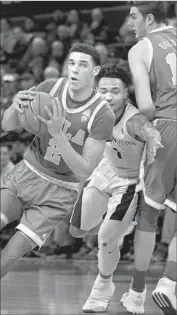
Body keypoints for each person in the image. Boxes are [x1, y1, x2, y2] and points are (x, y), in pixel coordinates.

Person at [0, 43, 115, 279]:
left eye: (83, 65)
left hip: (59, 192)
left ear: (95, 71)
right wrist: (14, 106)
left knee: (10, 255)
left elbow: (84, 171)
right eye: (71, 63)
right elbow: (7, 125)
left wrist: (58, 135)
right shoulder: (50, 88)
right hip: (26, 173)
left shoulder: (102, 114)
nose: (74, 69)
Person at [69, 64, 162, 312]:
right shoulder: (93, 112)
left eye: (115, 91)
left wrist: (153, 137)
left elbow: (147, 129)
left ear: (126, 93)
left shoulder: (133, 120)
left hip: (128, 184)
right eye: (103, 90)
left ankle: (103, 284)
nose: (108, 96)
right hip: (103, 174)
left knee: (105, 240)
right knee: (77, 231)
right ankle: (121, 226)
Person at [121, 2, 176, 314]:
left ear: (149, 18)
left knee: (149, 212)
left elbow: (146, 106)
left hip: (168, 128)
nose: (130, 22)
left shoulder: (142, 47)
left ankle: (138, 293)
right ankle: (169, 282)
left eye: (133, 16)